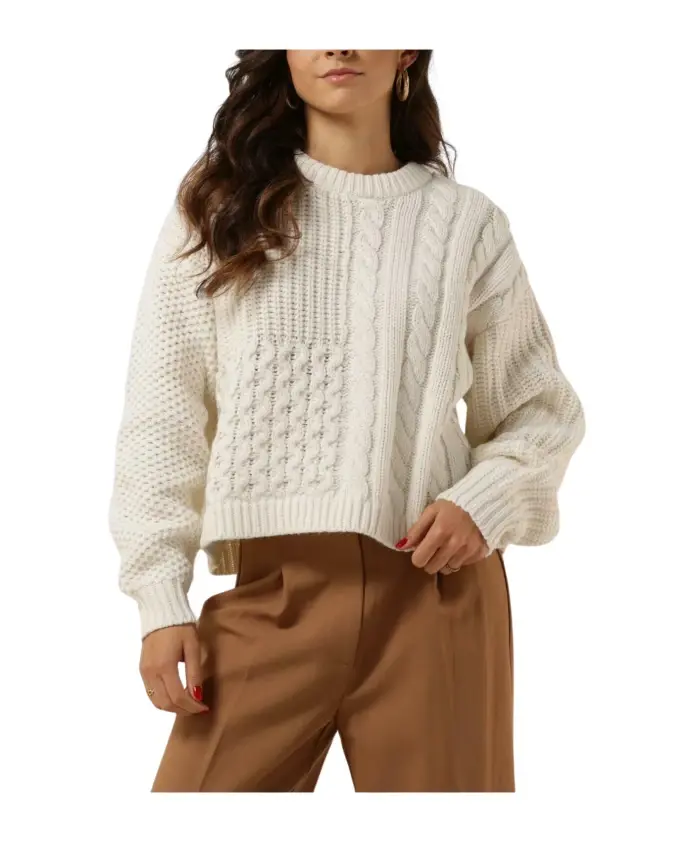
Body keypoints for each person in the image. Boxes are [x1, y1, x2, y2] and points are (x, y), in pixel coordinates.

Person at [108, 49, 586, 792]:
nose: (338, 43)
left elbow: (539, 410)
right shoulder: (218, 209)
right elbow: (161, 415)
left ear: (406, 50)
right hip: (272, 594)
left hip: (435, 589)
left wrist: (483, 501)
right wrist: (159, 598)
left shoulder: (466, 224)